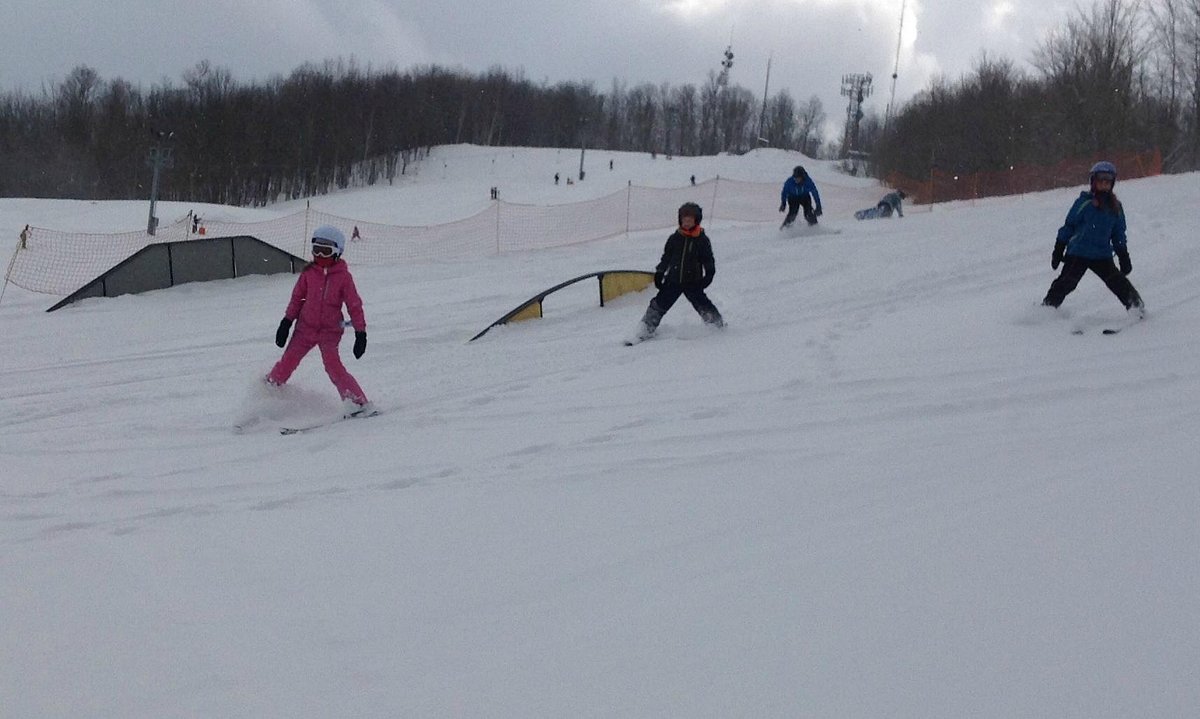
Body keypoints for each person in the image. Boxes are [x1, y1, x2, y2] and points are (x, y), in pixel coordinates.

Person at [266, 225, 374, 417]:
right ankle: (268, 392)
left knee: (333, 366)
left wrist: (361, 333)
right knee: (288, 361)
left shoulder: (344, 277)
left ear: (337, 253)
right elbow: (297, 299)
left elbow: (354, 305)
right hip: (304, 329)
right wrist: (286, 322)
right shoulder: (308, 274)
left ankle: (357, 403)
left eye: (326, 251)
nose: (320, 255)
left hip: (329, 332)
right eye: (317, 250)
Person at [1042, 161, 1144, 314]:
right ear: (1093, 182)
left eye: (1107, 182)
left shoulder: (1115, 207)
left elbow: (1118, 233)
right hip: (1078, 252)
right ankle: (1047, 308)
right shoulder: (1084, 203)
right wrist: (1059, 249)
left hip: (1101, 255)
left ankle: (1136, 307)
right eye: (1100, 181)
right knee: (1067, 282)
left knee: (1117, 282)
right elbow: (1069, 226)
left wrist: (1123, 255)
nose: (1104, 184)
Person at [631, 202, 724, 341]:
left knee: (702, 303)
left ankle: (716, 325)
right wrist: (660, 272)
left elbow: (708, 259)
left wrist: (709, 274)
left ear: (696, 221)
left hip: (693, 281)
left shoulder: (702, 240)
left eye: (689, 220)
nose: (686, 223)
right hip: (673, 280)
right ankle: (645, 329)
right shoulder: (675, 238)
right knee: (659, 303)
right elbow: (666, 257)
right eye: (684, 220)